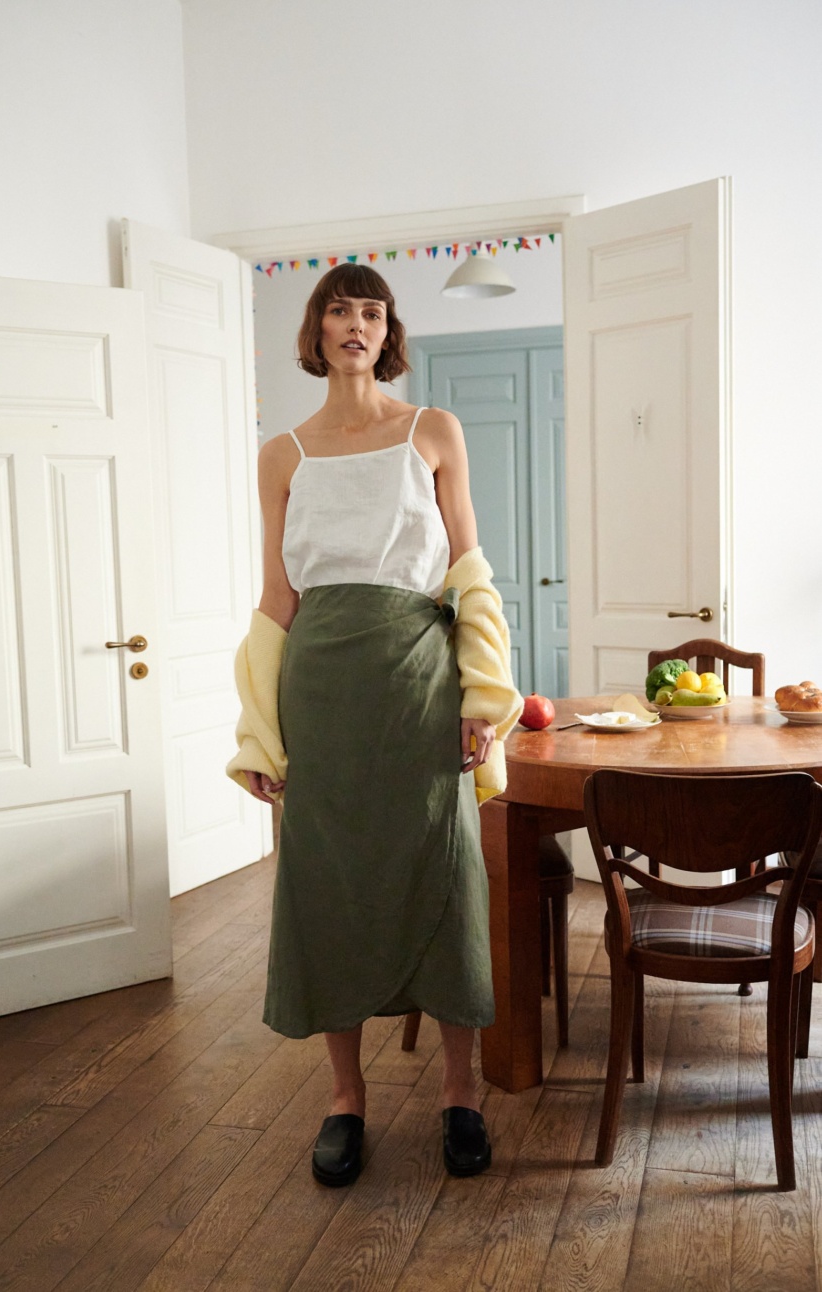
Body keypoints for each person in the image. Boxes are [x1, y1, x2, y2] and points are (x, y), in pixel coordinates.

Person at [227, 263, 522, 1187]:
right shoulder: (283, 454)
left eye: (371, 311)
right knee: (330, 883)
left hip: (417, 682)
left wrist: (483, 695)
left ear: (387, 331)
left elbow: (467, 567)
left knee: (447, 871)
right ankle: (345, 1097)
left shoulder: (431, 431)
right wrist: (257, 733)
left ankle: (460, 1092)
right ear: (313, 333)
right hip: (321, 686)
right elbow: (277, 601)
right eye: (337, 311)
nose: (355, 324)